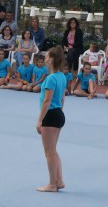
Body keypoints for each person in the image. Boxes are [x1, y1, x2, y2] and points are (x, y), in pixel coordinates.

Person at [35, 46, 67, 192]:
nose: (45, 58)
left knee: (49, 152)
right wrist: (60, 111)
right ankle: (59, 180)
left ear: (52, 60)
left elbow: (46, 101)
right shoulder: (62, 76)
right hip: (58, 113)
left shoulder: (50, 79)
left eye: (47, 56)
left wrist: (40, 120)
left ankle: (52, 184)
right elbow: (62, 97)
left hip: (50, 115)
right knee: (53, 150)